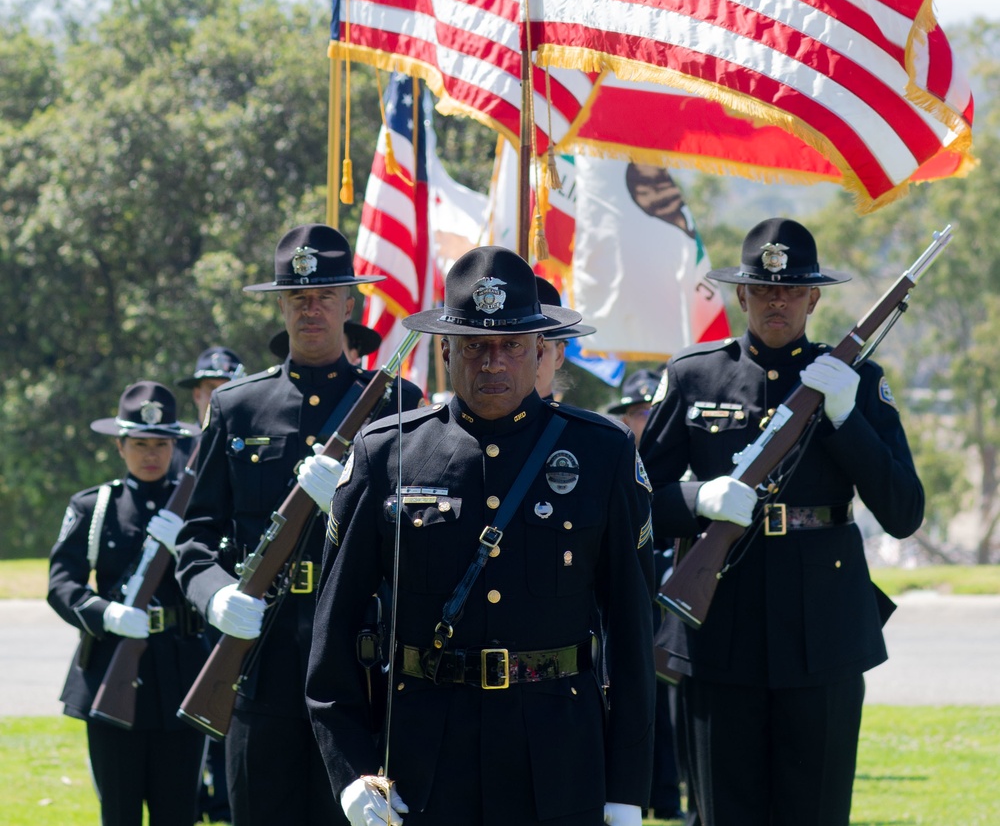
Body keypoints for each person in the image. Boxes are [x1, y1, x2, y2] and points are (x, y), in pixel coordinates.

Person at [306, 245, 656, 826]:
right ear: (446, 351)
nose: (492, 361)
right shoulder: (387, 453)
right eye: (475, 345)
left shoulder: (602, 452)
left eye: (510, 346)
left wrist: (625, 789)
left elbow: (632, 628)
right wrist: (350, 771)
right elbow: (333, 632)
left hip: (558, 759)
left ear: (538, 349)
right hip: (423, 761)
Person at [641, 218, 924, 826]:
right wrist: (698, 501)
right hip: (720, 625)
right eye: (764, 290)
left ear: (814, 298)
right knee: (723, 813)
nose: (777, 301)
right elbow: (635, 503)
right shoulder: (695, 376)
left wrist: (848, 419)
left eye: (792, 290)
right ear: (740, 295)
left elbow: (903, 512)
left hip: (822, 627)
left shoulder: (858, 381)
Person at [175, 224, 422, 826]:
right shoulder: (237, 407)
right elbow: (195, 537)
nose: (311, 309)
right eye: (297, 298)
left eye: (325, 296)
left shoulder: (397, 402)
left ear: (349, 303)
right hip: (262, 663)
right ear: (281, 306)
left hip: (359, 666)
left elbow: (419, 533)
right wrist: (216, 597)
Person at [47, 381, 206, 826]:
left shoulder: (197, 509)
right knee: (118, 811)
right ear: (120, 446)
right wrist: (107, 614)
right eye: (139, 443)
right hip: (111, 670)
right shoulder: (96, 506)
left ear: (176, 445)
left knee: (178, 812)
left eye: (161, 443)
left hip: (180, 674)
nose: (150, 454)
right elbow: (62, 584)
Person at [608, 371, 683, 823]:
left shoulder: (673, 467)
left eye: (652, 411)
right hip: (632, 598)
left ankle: (668, 795)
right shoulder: (609, 458)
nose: (646, 420)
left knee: (669, 705)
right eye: (638, 412)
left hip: (672, 596)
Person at [176, 345, 247, 824]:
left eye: (224, 387)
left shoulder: (245, 431)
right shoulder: (175, 451)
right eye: (207, 389)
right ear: (198, 395)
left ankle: (224, 799)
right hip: (199, 609)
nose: (214, 396)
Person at [534, 273, 595, 403]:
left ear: (559, 355)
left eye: (541, 347)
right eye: (513, 345)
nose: (530, 359)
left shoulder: (577, 424)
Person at [178, 345, 247, 427]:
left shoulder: (254, 437)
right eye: (212, 389)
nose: (220, 398)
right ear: (197, 395)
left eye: (228, 390)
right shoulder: (177, 439)